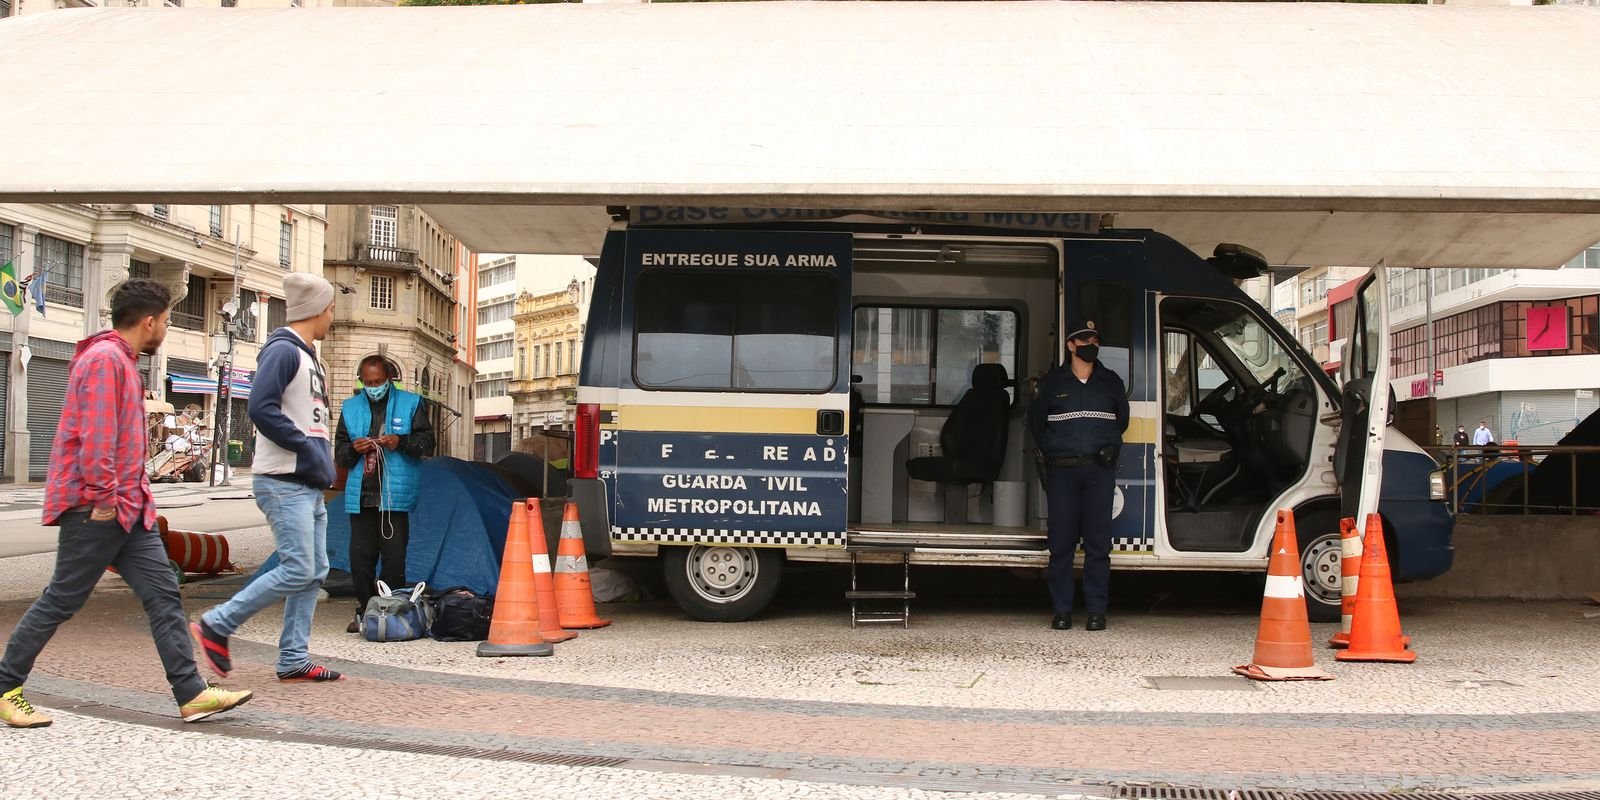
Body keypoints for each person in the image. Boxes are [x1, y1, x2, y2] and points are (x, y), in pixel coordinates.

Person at [1, 280, 253, 728]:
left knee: (163, 597)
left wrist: (135, 504)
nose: (168, 330)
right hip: (99, 506)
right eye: (168, 321)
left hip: (129, 509)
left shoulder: (120, 360)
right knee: (61, 599)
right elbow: (97, 437)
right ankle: (5, 687)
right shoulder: (105, 360)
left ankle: (192, 694)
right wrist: (102, 499)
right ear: (150, 321)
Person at [192, 273, 343, 683]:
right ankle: (218, 624)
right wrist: (309, 449)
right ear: (317, 309)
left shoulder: (310, 356)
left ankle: (293, 656)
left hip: (304, 483)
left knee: (313, 570)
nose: (333, 315)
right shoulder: (283, 352)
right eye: (330, 307)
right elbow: (260, 407)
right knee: (298, 568)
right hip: (283, 480)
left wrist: (317, 458)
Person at [1026, 320, 1129, 632]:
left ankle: (1097, 611)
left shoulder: (1111, 381)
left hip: (1099, 472)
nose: (1091, 344)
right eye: (1085, 339)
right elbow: (1037, 425)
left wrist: (1108, 448)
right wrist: (1057, 451)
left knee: (1099, 545)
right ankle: (1062, 611)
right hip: (1063, 473)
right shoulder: (1052, 383)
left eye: (1095, 339)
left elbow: (1120, 421)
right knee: (1061, 545)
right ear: (1071, 345)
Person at [334, 355, 436, 634]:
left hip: (394, 497)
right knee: (360, 559)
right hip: (362, 496)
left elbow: (428, 443)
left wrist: (400, 441)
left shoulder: (411, 403)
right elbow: (340, 454)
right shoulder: (350, 407)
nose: (373, 386)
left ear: (389, 378)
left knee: (393, 559)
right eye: (367, 382)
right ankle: (366, 612)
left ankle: (390, 612)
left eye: (378, 381)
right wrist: (354, 448)